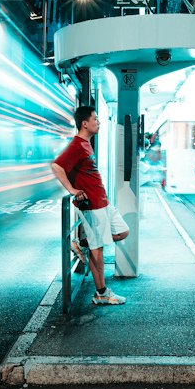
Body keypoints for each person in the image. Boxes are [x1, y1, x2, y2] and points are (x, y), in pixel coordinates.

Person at [51, 104, 129, 306]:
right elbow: (57, 166)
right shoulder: (77, 144)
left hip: (102, 202)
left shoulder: (86, 144)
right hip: (92, 205)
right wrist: (72, 190)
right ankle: (101, 293)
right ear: (85, 124)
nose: (98, 122)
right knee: (98, 249)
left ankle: (81, 244)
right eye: (95, 119)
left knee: (122, 232)